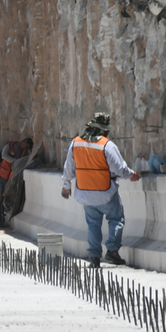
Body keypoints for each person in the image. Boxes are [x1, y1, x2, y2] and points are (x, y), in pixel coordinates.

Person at [61, 112, 140, 267]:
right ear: (103, 130)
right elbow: (120, 169)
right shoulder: (107, 145)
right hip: (106, 193)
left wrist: (66, 186)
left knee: (93, 225)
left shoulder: (75, 143)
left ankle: (94, 257)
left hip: (85, 193)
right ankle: (112, 251)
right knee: (116, 219)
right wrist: (132, 175)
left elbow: (68, 168)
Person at [0, 137, 34, 207]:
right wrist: (15, 161)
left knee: (7, 195)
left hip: (12, 177)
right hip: (3, 174)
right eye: (26, 146)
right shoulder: (10, 146)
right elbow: (4, 155)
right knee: (1, 195)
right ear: (24, 141)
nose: (25, 148)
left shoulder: (24, 152)